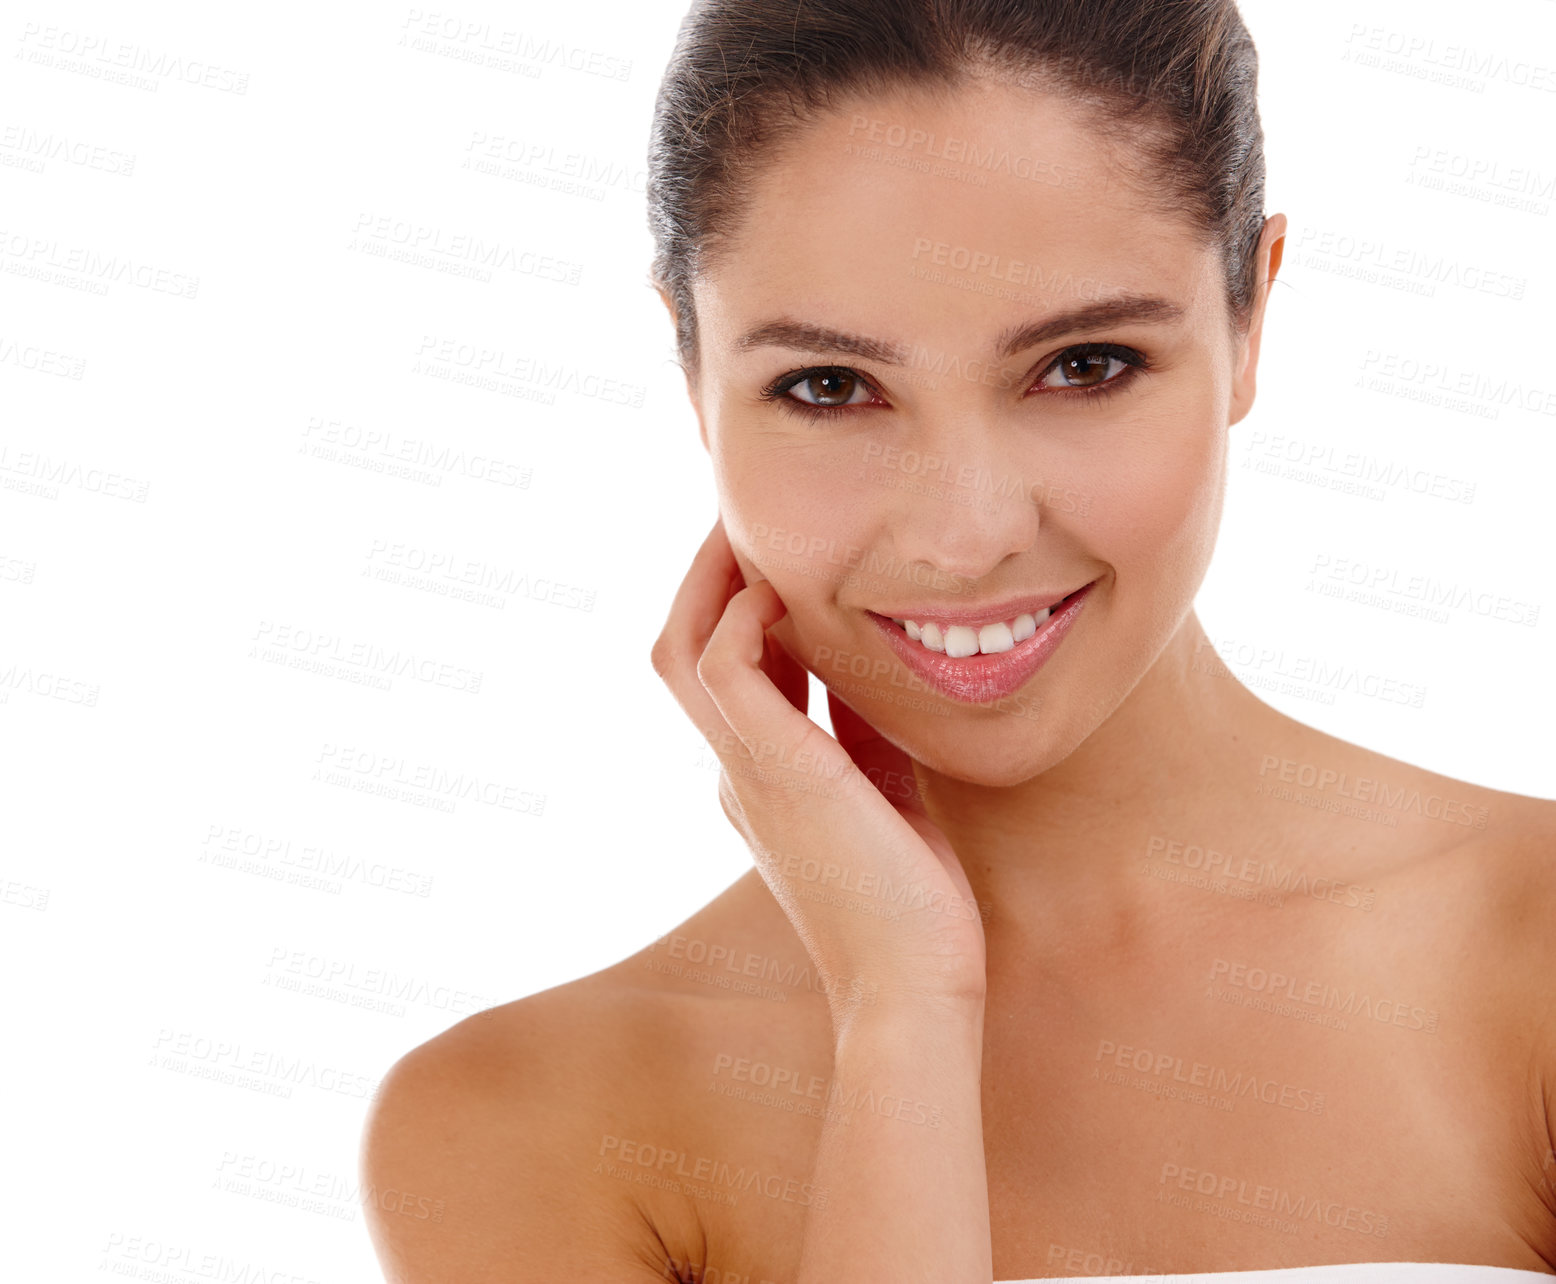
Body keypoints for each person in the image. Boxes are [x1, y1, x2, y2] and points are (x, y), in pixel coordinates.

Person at [358, 1, 1556, 1280]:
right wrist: (902, 1014)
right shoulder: (521, 1123)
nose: (965, 534)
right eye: (827, 386)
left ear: (1249, 318)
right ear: (690, 368)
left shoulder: (1525, 953)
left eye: (1085, 364)